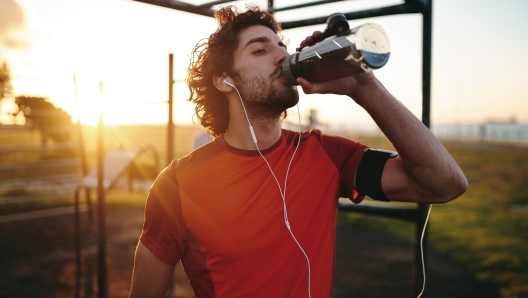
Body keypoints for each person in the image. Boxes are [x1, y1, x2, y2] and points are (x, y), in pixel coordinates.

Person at [129, 5, 467, 298]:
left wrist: (363, 86)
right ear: (224, 80)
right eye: (260, 51)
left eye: (282, 47)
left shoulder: (327, 154)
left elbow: (444, 183)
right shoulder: (176, 184)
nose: (282, 57)